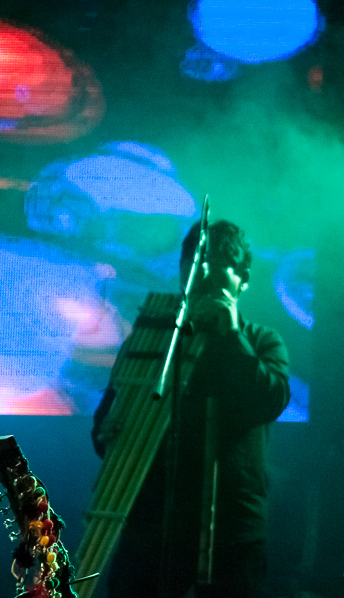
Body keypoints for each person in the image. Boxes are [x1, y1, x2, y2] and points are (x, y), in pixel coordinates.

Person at [92, 220, 291, 598]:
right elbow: (107, 426)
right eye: (191, 269)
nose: (199, 281)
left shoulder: (262, 340)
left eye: (214, 272)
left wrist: (230, 333)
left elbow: (268, 400)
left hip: (232, 533)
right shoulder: (152, 340)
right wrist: (109, 431)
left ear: (242, 279)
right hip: (151, 526)